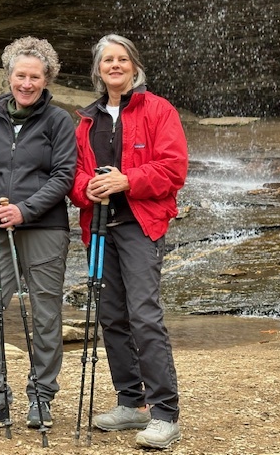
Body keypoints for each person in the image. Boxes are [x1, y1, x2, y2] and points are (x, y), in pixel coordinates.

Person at [68, 34, 188, 449]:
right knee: (112, 315)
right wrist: (89, 189)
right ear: (98, 71)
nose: (115, 66)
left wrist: (127, 180)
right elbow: (77, 176)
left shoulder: (158, 109)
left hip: (140, 225)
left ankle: (165, 414)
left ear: (134, 67)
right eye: (107, 61)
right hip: (99, 226)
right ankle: (130, 403)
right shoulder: (86, 120)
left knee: (144, 316)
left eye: (122, 60)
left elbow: (173, 169)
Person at [0, 36, 76, 433]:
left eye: (35, 77)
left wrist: (23, 210)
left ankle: (41, 396)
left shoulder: (58, 121)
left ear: (46, 79)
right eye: (20, 75)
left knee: (45, 316)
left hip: (44, 229)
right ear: (8, 76)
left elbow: (64, 176)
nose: (26, 83)